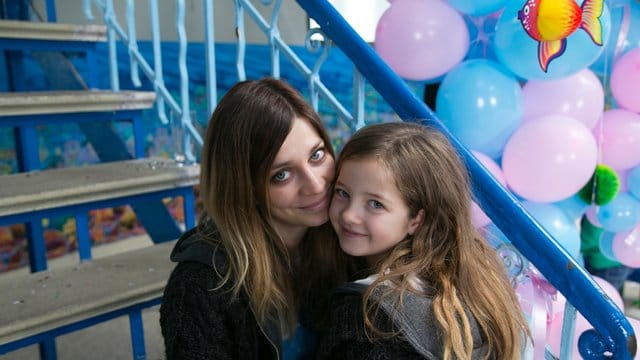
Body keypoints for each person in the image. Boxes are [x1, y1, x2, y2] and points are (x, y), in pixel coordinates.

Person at [160, 78, 354, 359]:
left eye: (317, 155)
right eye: (281, 175)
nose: (315, 185)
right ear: (245, 189)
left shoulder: (345, 238)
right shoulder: (199, 285)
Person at [318, 122, 530, 359]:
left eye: (375, 204)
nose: (349, 215)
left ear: (417, 219)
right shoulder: (479, 279)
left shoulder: (367, 316)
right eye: (342, 193)